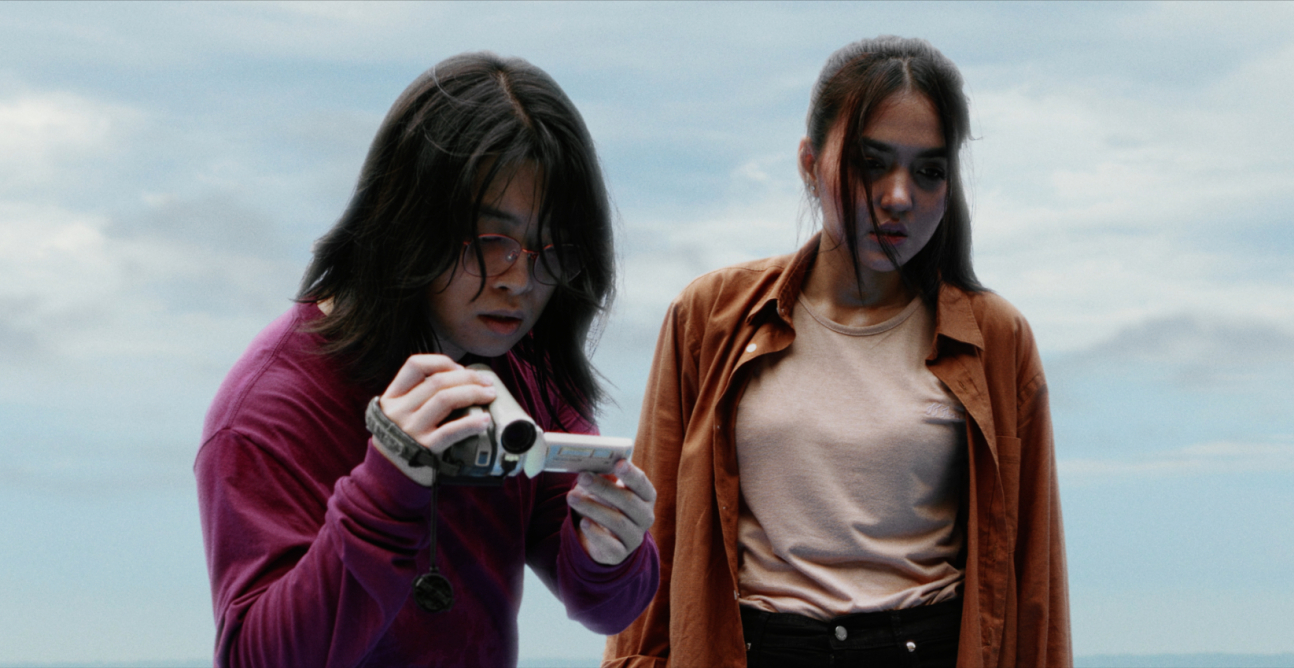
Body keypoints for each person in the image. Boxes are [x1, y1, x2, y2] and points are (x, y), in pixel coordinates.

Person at [605, 36, 1070, 668]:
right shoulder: (710, 318)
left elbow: (1034, 579)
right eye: (871, 162)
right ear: (808, 162)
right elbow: (651, 542)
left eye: (929, 171)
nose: (899, 196)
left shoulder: (996, 338)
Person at [195, 52, 659, 668]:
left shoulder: (522, 365)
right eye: (492, 240)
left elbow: (608, 607)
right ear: (407, 220)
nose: (520, 280)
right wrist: (387, 487)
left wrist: (613, 553)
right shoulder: (267, 409)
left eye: (552, 249)